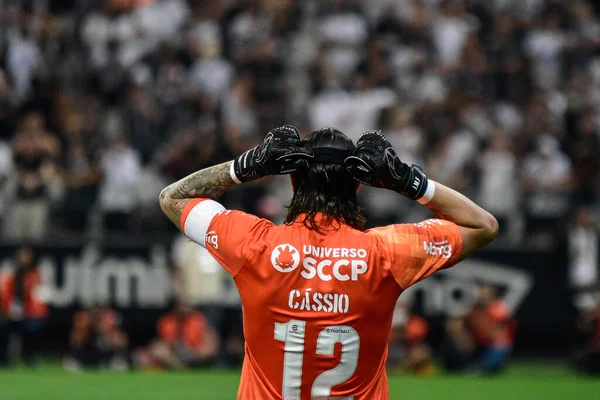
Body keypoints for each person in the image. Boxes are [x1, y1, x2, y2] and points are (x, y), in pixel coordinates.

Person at [159, 125, 498, 399]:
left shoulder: (254, 245)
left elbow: (172, 197)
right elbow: (483, 225)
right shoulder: (384, 254)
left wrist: (248, 166)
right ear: (359, 187)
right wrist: (407, 180)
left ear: (292, 180)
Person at [134, 301, 219, 370]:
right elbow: (163, 343)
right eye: (181, 303)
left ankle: (186, 369)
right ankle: (181, 369)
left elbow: (209, 344)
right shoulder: (166, 321)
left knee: (207, 349)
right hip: (174, 355)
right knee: (146, 355)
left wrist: (195, 352)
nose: (184, 306)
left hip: (194, 354)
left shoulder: (200, 320)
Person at [0, 247, 49, 365]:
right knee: (2, 327)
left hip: (29, 313)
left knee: (33, 327)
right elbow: (4, 294)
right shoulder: (10, 273)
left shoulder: (34, 275)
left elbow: (38, 297)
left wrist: (34, 312)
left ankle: (30, 357)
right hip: (10, 313)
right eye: (22, 256)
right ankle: (3, 358)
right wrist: (6, 311)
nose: (24, 260)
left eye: (27, 257)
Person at [467, 283, 517, 374]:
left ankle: (483, 368)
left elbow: (500, 336)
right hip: (477, 345)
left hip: (493, 346)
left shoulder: (498, 309)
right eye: (481, 294)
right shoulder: (472, 309)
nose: (482, 297)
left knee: (501, 345)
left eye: (486, 294)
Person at [63, 305, 128, 371]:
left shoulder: (109, 328)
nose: (97, 320)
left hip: (105, 359)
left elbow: (122, 344)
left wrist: (109, 331)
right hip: (86, 359)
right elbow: (75, 342)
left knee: (120, 361)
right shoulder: (86, 328)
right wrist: (83, 329)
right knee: (69, 360)